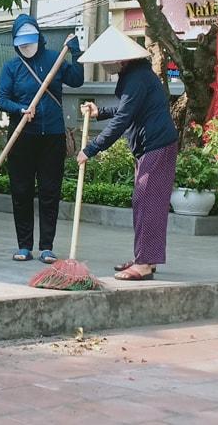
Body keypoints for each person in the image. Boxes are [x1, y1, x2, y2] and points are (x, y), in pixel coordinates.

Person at [76, 27, 178, 281]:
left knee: (148, 203)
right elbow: (127, 108)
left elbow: (123, 118)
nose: (105, 65)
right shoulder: (135, 75)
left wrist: (92, 148)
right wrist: (100, 111)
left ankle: (144, 264)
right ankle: (145, 258)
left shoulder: (138, 77)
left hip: (157, 145)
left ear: (120, 59)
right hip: (150, 146)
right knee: (144, 202)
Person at [0, 14, 83, 264]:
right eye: (21, 42)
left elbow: (76, 80)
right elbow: (2, 99)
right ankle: (24, 245)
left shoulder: (55, 58)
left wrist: (76, 53)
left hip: (52, 136)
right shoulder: (11, 67)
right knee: (21, 191)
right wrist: (20, 108)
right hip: (22, 136)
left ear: (38, 37)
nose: (26, 46)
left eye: (29, 40)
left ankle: (47, 246)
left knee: (49, 191)